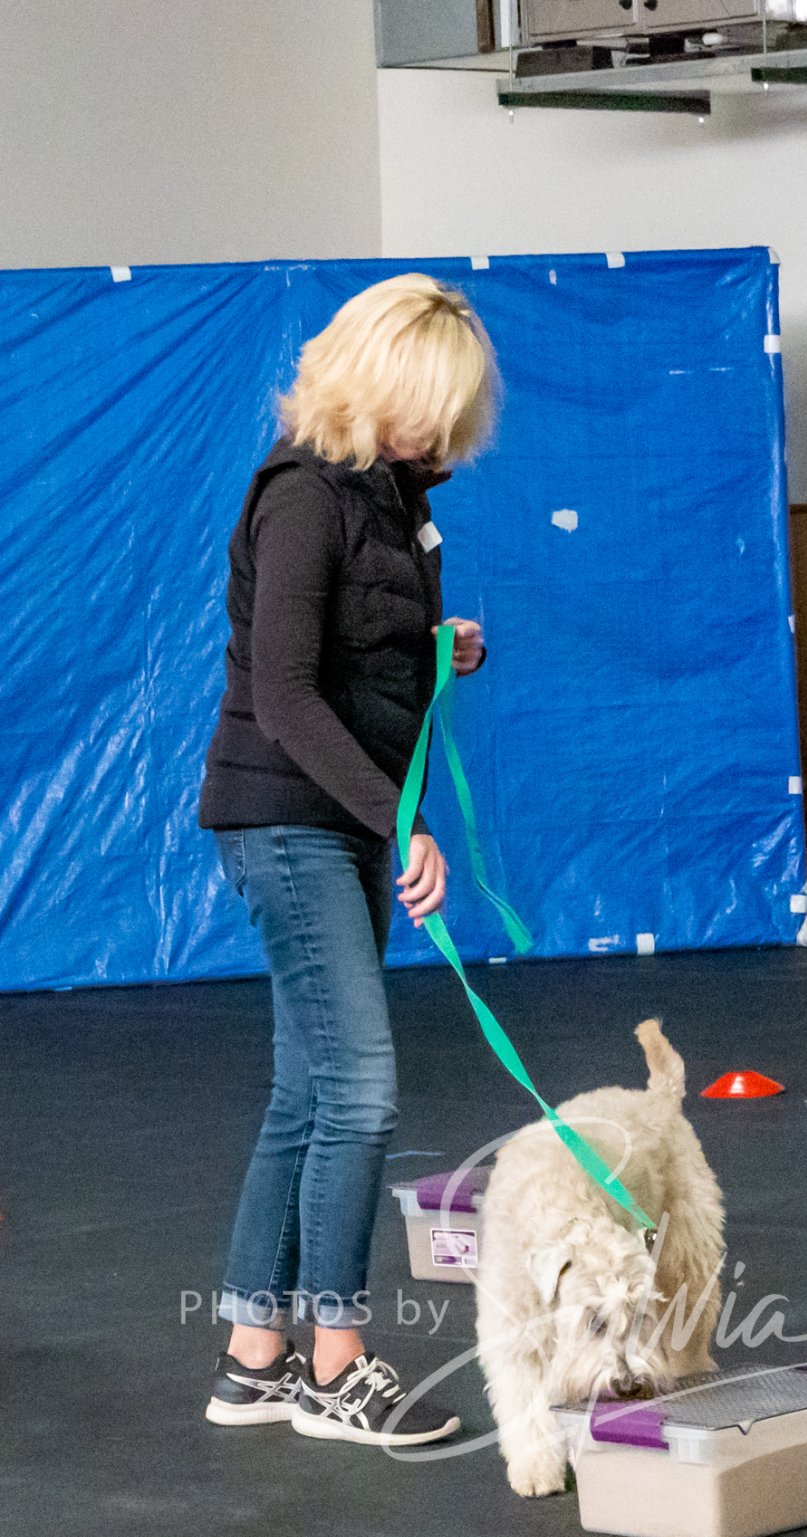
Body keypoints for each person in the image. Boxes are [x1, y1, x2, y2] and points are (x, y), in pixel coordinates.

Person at [197, 274, 496, 1445]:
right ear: (375, 381)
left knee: (310, 1092)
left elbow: (351, 647)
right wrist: (396, 822)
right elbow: (282, 693)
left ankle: (251, 1360)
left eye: (452, 411)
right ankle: (336, 1364)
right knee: (362, 1092)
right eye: (427, 406)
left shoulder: (392, 497)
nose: (439, 430)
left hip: (340, 817)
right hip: (288, 819)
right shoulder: (304, 496)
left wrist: (439, 644)